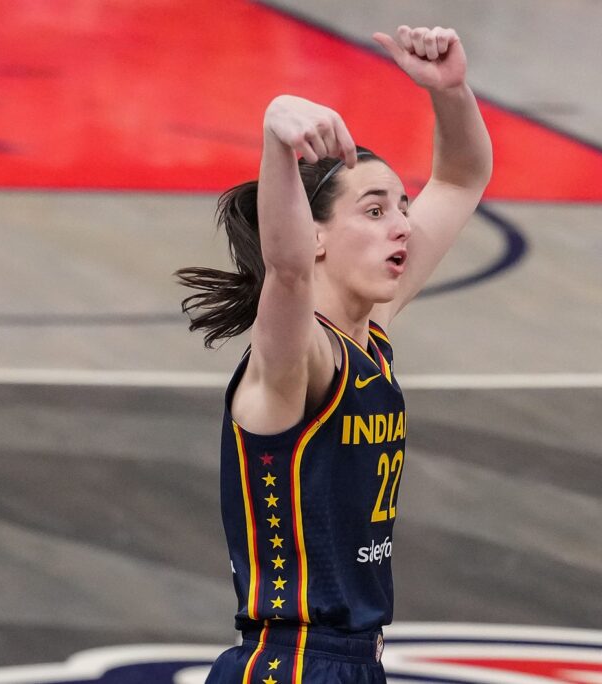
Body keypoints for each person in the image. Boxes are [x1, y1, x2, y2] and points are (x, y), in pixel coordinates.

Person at [177, 24, 492, 684]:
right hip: (289, 666)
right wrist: (276, 139)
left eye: (402, 207)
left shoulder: (367, 335)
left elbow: (462, 178)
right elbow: (286, 271)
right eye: (374, 211)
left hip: (352, 663)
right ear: (315, 237)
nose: (403, 224)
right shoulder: (300, 358)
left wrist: (452, 90)